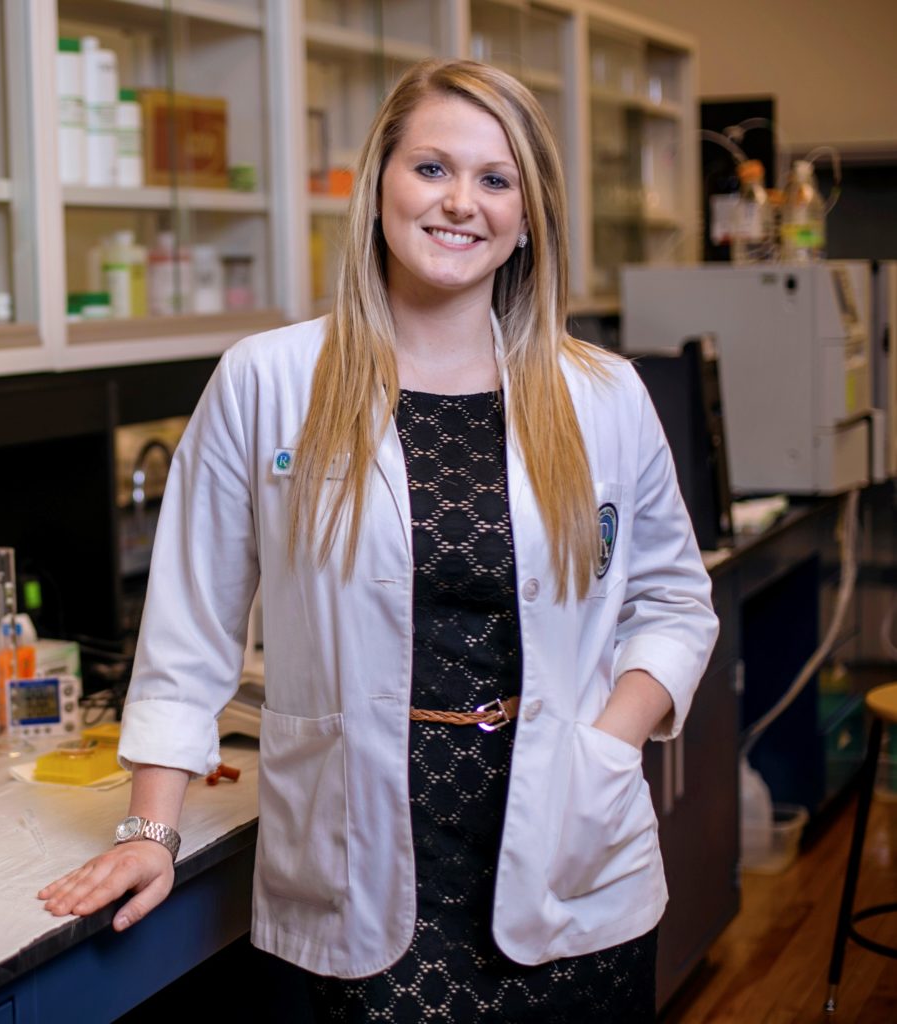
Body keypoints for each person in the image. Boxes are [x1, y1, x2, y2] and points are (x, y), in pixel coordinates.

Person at [40, 59, 718, 1022]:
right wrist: (152, 828)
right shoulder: (268, 381)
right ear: (380, 184)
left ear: (529, 214)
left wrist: (608, 744)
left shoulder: (602, 395)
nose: (460, 203)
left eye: (496, 179)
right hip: (353, 863)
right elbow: (190, 631)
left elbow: (674, 600)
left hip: (571, 854)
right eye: (432, 167)